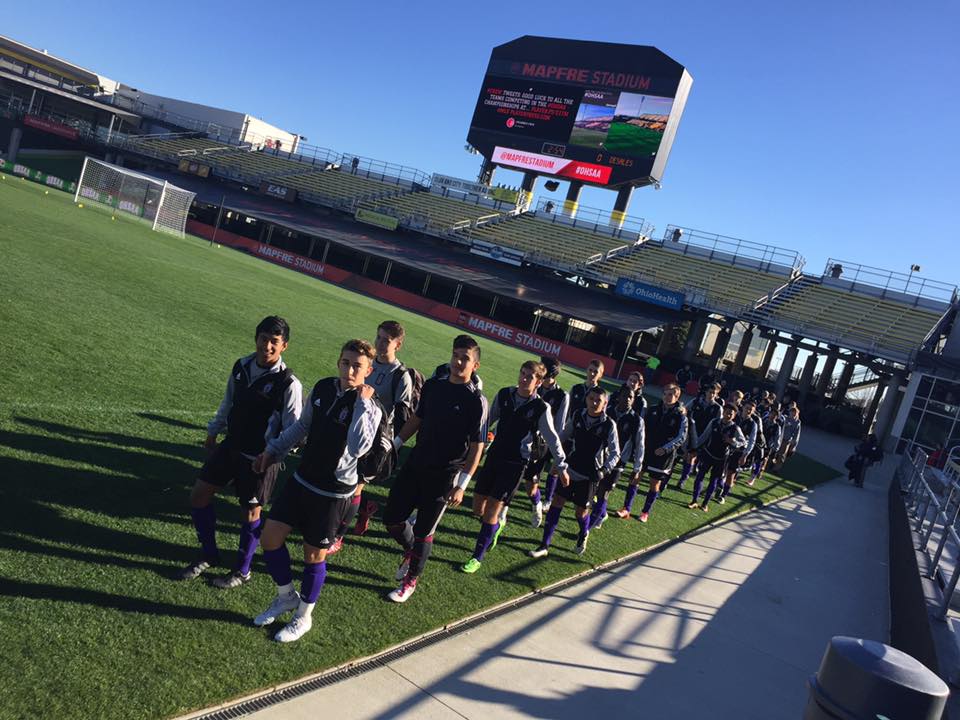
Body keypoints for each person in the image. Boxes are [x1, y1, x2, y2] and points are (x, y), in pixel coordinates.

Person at [250, 339, 383, 642]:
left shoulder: (371, 406)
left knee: (313, 556)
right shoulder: (323, 388)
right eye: (346, 362)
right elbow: (301, 427)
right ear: (338, 362)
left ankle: (303, 617)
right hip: (302, 479)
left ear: (368, 371)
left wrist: (362, 403)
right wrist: (273, 451)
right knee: (270, 539)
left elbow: (359, 447)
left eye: (357, 366)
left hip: (333, 492)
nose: (350, 370)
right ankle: (286, 596)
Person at [181, 316, 303, 589]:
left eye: (275, 341)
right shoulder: (242, 366)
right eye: (263, 338)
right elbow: (228, 402)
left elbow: (294, 429)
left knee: (250, 513)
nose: (267, 346)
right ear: (256, 338)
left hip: (260, 458)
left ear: (284, 345)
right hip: (230, 446)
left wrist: (272, 456)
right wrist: (213, 431)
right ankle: (209, 554)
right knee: (199, 496)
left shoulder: (288, 383)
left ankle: (243, 570)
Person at [383, 335, 486, 603]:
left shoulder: (476, 401)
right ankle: (410, 550)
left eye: (465, 358)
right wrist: (394, 444)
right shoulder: (433, 386)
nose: (458, 361)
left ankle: (410, 581)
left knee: (424, 531)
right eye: (455, 355)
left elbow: (477, 447)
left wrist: (462, 485)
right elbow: (417, 419)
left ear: (474, 365)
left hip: (445, 475)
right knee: (392, 519)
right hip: (416, 463)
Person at [463, 361, 568, 573]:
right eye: (522, 373)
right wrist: (470, 440)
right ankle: (497, 526)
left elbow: (553, 438)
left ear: (538, 382)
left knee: (493, 508)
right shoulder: (504, 395)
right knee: (478, 508)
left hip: (516, 463)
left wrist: (562, 465)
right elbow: (488, 420)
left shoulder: (540, 408)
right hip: (494, 457)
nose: (523, 379)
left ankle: (477, 557)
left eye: (529, 376)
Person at [334, 320, 415, 543]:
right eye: (378, 337)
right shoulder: (366, 363)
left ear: (397, 345)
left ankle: (337, 538)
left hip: (374, 439)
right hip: (350, 427)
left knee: (355, 486)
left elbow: (402, 416)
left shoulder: (401, 375)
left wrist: (393, 446)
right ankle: (366, 510)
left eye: (386, 341)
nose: (380, 343)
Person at [529, 387, 620, 558]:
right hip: (571, 469)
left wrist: (603, 471)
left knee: (580, 512)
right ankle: (544, 545)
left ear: (605, 403)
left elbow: (616, 453)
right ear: (586, 399)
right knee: (557, 503)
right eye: (591, 398)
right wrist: (549, 446)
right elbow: (564, 435)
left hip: (590, 475)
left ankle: (583, 533)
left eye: (598, 400)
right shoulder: (578, 415)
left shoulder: (609, 425)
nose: (593, 403)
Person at [615, 383, 687, 523]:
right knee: (635, 478)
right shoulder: (653, 409)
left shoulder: (680, 415)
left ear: (677, 396)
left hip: (663, 456)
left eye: (671, 394)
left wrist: (666, 448)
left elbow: (681, 437)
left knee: (654, 484)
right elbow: (641, 428)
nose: (667, 396)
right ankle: (626, 508)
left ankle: (645, 512)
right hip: (646, 451)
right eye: (665, 393)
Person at [590, 386, 644, 530]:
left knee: (604, 491)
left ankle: (590, 525)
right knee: (592, 491)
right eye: (625, 395)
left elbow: (640, 445)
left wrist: (637, 468)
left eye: (630, 397)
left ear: (633, 400)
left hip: (618, 463)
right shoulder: (607, 411)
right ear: (618, 396)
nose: (627, 399)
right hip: (599, 458)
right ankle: (601, 513)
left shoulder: (636, 420)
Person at [524, 356, 569, 527]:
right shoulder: (534, 387)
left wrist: (554, 450)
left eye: (543, 366)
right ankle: (534, 504)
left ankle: (543, 501)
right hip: (527, 440)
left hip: (544, 444)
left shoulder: (562, 395)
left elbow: (560, 426)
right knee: (525, 478)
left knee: (539, 477)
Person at [688, 403, 747, 512]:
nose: (728, 415)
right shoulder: (714, 422)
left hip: (721, 459)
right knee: (699, 476)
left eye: (731, 414)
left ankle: (705, 504)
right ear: (723, 412)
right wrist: (694, 448)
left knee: (713, 480)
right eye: (727, 412)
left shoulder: (735, 428)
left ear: (734, 416)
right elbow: (704, 436)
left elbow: (744, 442)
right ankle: (694, 500)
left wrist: (733, 442)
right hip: (708, 453)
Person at [677, 382, 722, 490]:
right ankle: (686, 472)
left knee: (692, 456)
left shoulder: (717, 408)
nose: (711, 394)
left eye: (713, 393)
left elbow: (718, 423)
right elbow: (685, 409)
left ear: (716, 394)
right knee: (686, 455)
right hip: (690, 432)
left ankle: (683, 479)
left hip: (703, 436)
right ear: (706, 392)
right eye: (710, 392)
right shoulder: (696, 401)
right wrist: (682, 411)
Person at [750, 406, 783, 485]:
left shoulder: (777, 427)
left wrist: (775, 451)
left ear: (777, 417)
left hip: (767, 446)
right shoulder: (763, 421)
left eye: (775, 415)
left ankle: (753, 478)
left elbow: (777, 439)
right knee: (753, 459)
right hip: (758, 444)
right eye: (771, 413)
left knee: (761, 461)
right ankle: (754, 470)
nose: (772, 416)